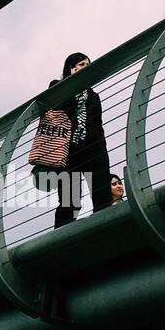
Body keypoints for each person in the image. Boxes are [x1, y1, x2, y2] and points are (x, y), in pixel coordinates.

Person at [53, 52, 111, 227]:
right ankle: (61, 239)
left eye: (88, 65)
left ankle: (106, 228)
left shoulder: (93, 96)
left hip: (93, 149)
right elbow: (57, 110)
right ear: (71, 69)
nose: (87, 68)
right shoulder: (57, 86)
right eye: (82, 65)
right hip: (70, 151)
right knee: (70, 201)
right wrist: (74, 86)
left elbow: (98, 124)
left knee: (102, 194)